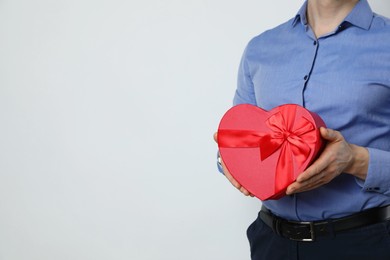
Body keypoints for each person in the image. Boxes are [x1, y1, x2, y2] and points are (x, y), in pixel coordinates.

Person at [214, 0, 390, 259]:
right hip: (270, 242)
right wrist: (227, 159)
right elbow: (242, 140)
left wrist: (354, 160)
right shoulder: (259, 48)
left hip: (361, 245)